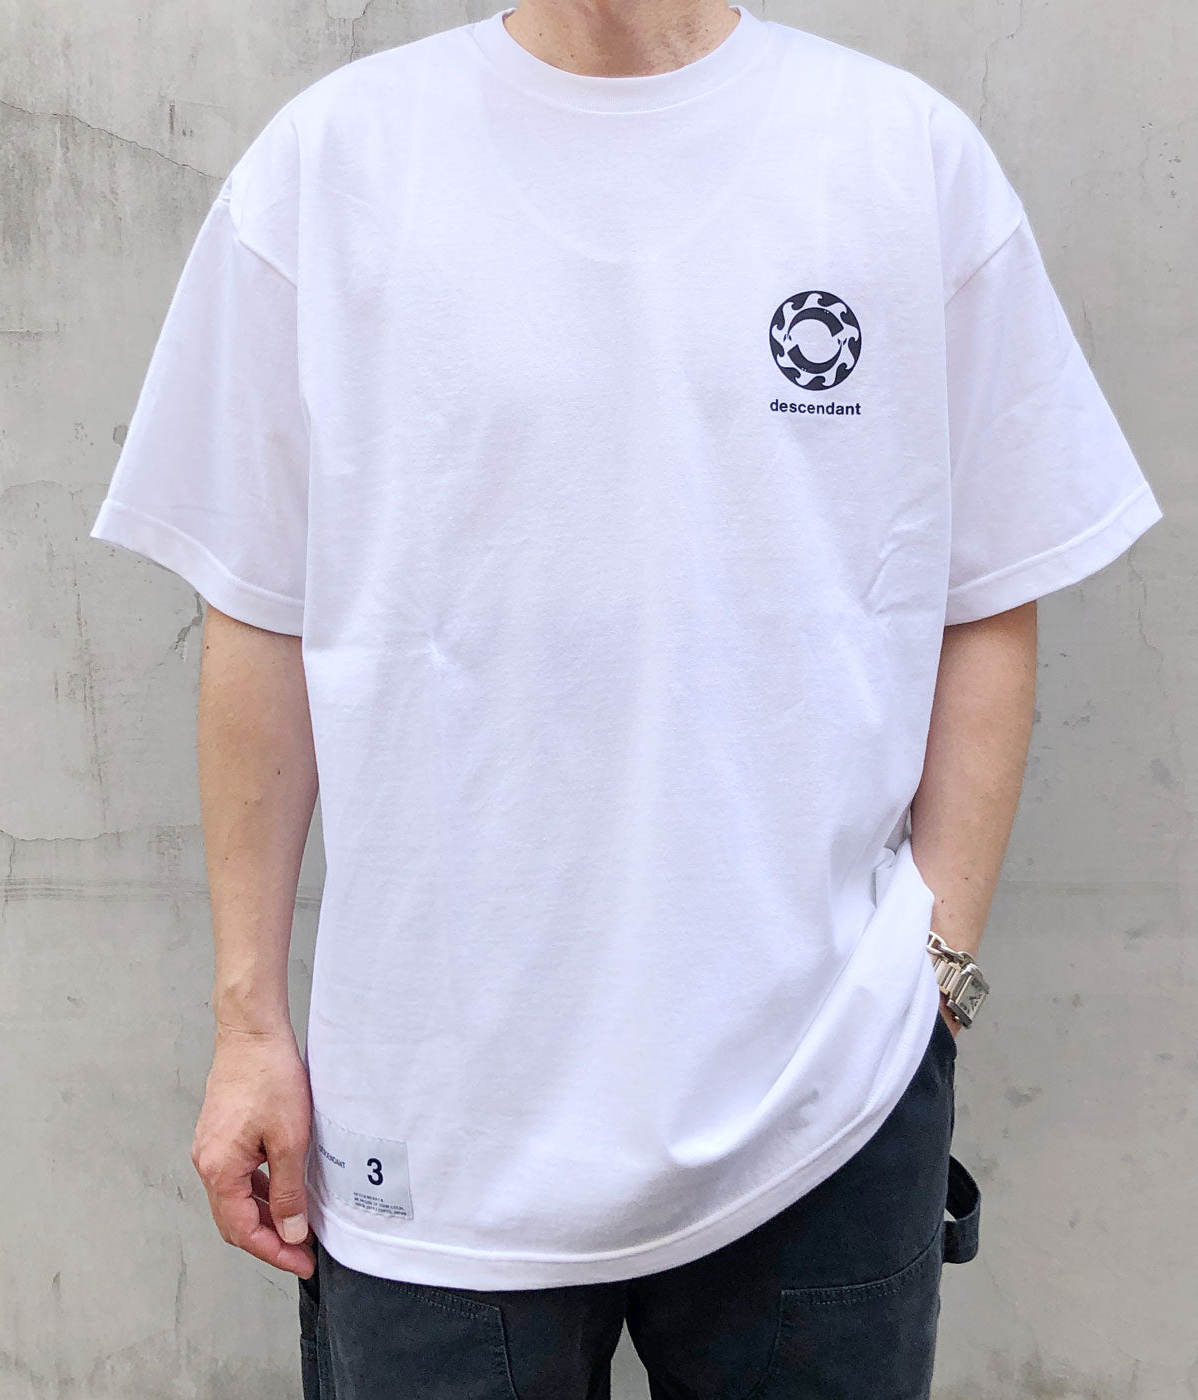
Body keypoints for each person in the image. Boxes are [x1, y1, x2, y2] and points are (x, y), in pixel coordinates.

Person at [89, 1, 1164, 1395]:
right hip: (437, 1123)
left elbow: (991, 587)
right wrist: (248, 1024)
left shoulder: (900, 160)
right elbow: (257, 614)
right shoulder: (332, 167)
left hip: (825, 1103)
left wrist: (934, 977)